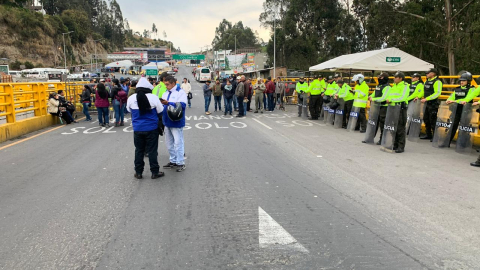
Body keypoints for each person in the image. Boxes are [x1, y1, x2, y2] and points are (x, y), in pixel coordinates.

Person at [126, 77, 164, 179]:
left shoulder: (131, 98)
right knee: (152, 151)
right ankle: (154, 172)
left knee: (139, 150)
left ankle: (138, 172)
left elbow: (128, 110)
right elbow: (161, 111)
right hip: (151, 129)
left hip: (138, 129)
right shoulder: (153, 98)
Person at [161, 76, 188, 172]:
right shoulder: (165, 93)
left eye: (167, 84)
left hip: (176, 122)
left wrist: (169, 103)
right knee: (169, 144)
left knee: (178, 143)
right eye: (165, 84)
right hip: (166, 121)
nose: (166, 86)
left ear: (173, 83)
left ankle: (180, 162)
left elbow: (183, 105)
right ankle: (173, 160)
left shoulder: (180, 92)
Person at [445, 72, 478, 147]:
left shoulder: (472, 89)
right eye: (461, 80)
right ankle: (447, 142)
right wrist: (448, 100)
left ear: (468, 81)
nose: (461, 82)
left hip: (466, 111)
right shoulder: (457, 89)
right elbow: (452, 96)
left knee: (464, 128)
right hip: (456, 110)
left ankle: (463, 144)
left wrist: (454, 101)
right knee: (453, 126)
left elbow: (467, 99)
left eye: (464, 80)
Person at [363, 72, 391, 144]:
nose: (379, 78)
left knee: (382, 124)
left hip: (383, 107)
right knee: (373, 122)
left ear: (385, 78)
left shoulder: (387, 87)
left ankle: (382, 139)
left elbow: (384, 98)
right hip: (376, 106)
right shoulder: (379, 86)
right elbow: (374, 93)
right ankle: (370, 138)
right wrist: (371, 96)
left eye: (381, 77)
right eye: (379, 77)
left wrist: (374, 99)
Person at [389, 72, 410, 153]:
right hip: (392, 108)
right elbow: (390, 95)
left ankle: (401, 146)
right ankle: (395, 144)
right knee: (393, 127)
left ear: (400, 78)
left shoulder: (404, 86)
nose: (394, 78)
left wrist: (391, 100)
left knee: (400, 128)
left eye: (395, 77)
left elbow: (403, 97)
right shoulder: (394, 85)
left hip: (400, 108)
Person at [420, 68, 443, 141]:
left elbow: (437, 93)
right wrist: (418, 97)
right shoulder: (426, 81)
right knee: (426, 119)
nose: (426, 74)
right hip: (427, 103)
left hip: (433, 103)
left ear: (433, 74)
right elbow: (424, 91)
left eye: (428, 73)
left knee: (433, 119)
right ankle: (428, 134)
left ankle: (435, 136)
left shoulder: (437, 82)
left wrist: (427, 99)